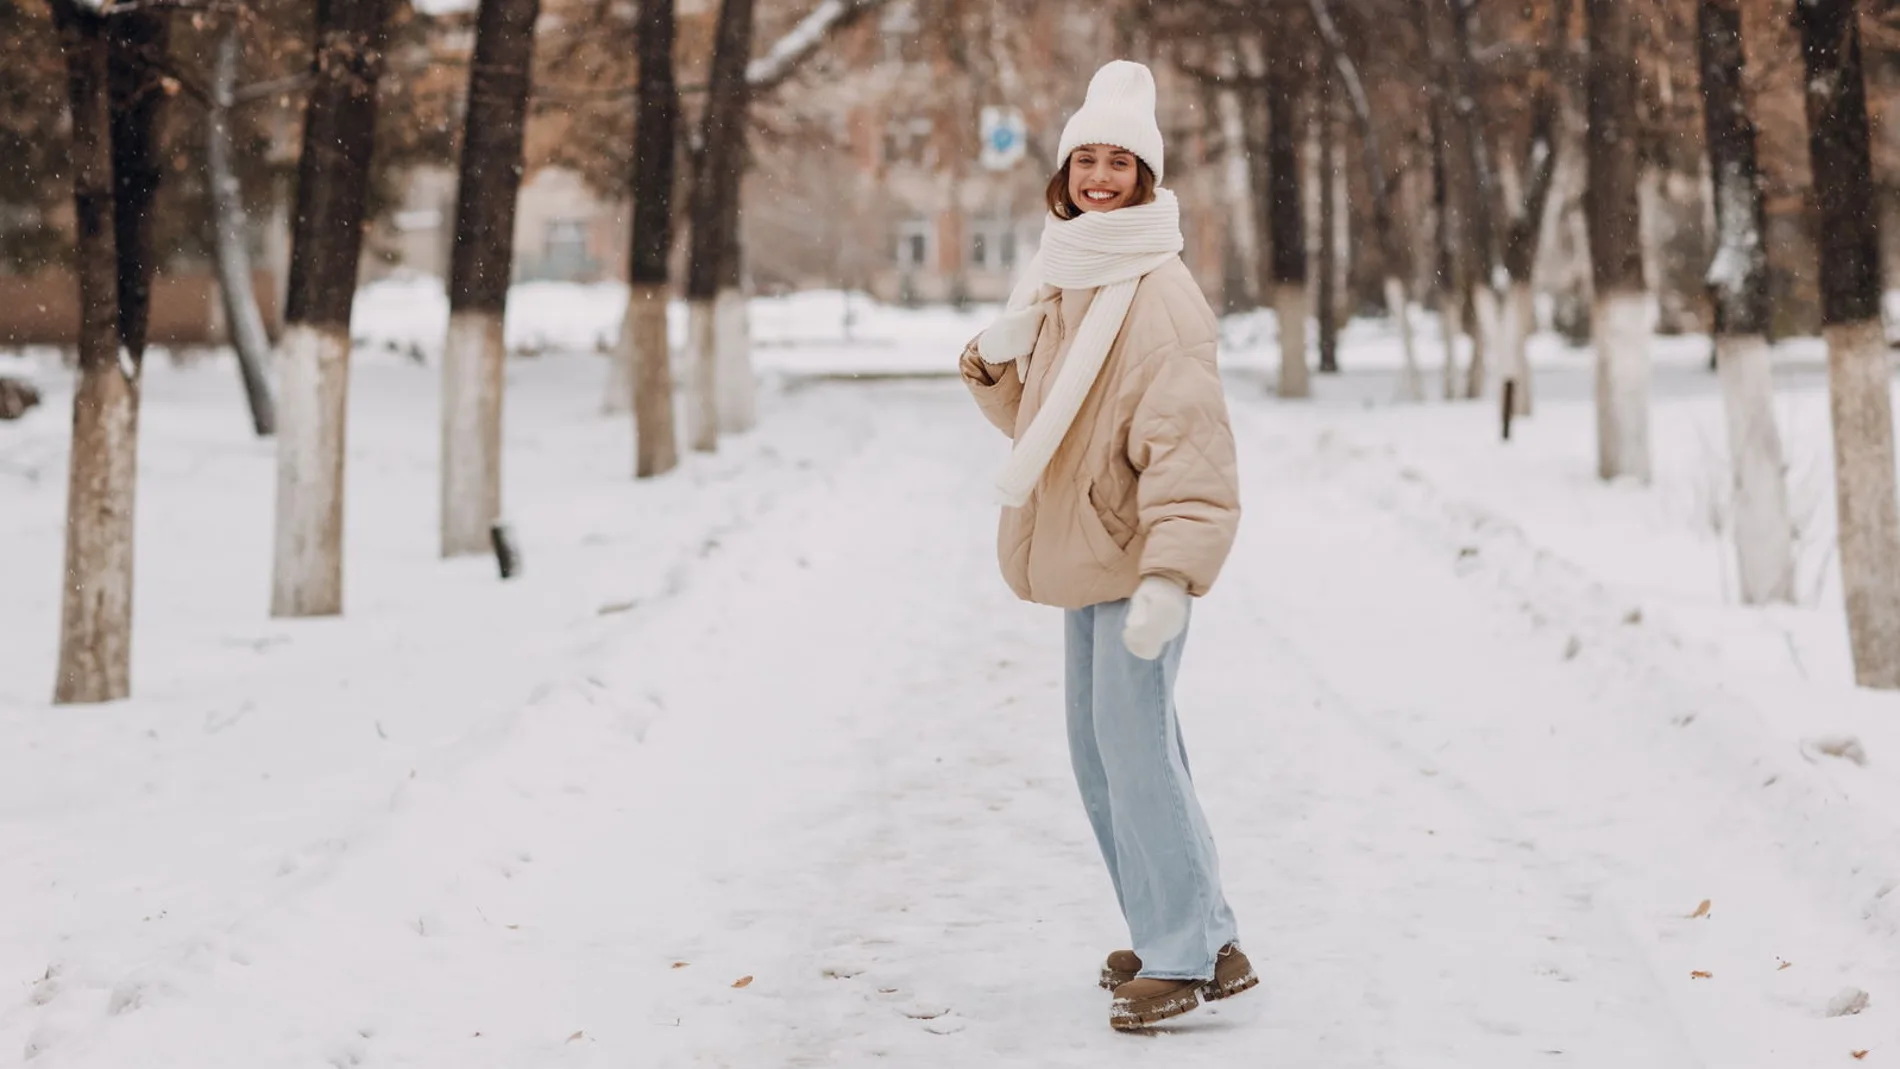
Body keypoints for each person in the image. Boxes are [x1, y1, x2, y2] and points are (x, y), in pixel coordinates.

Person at [958, 60, 1252, 1031]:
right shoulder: (1064, 269)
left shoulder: (1157, 293)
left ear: (1144, 177)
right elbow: (1055, 428)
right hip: (1093, 548)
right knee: (1104, 753)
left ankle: (1178, 955)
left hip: (1137, 560)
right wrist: (997, 364)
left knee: (1134, 753)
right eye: (1084, 157)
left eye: (1116, 161)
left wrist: (1172, 573)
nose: (1097, 175)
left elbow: (1188, 453)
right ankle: (1200, 929)